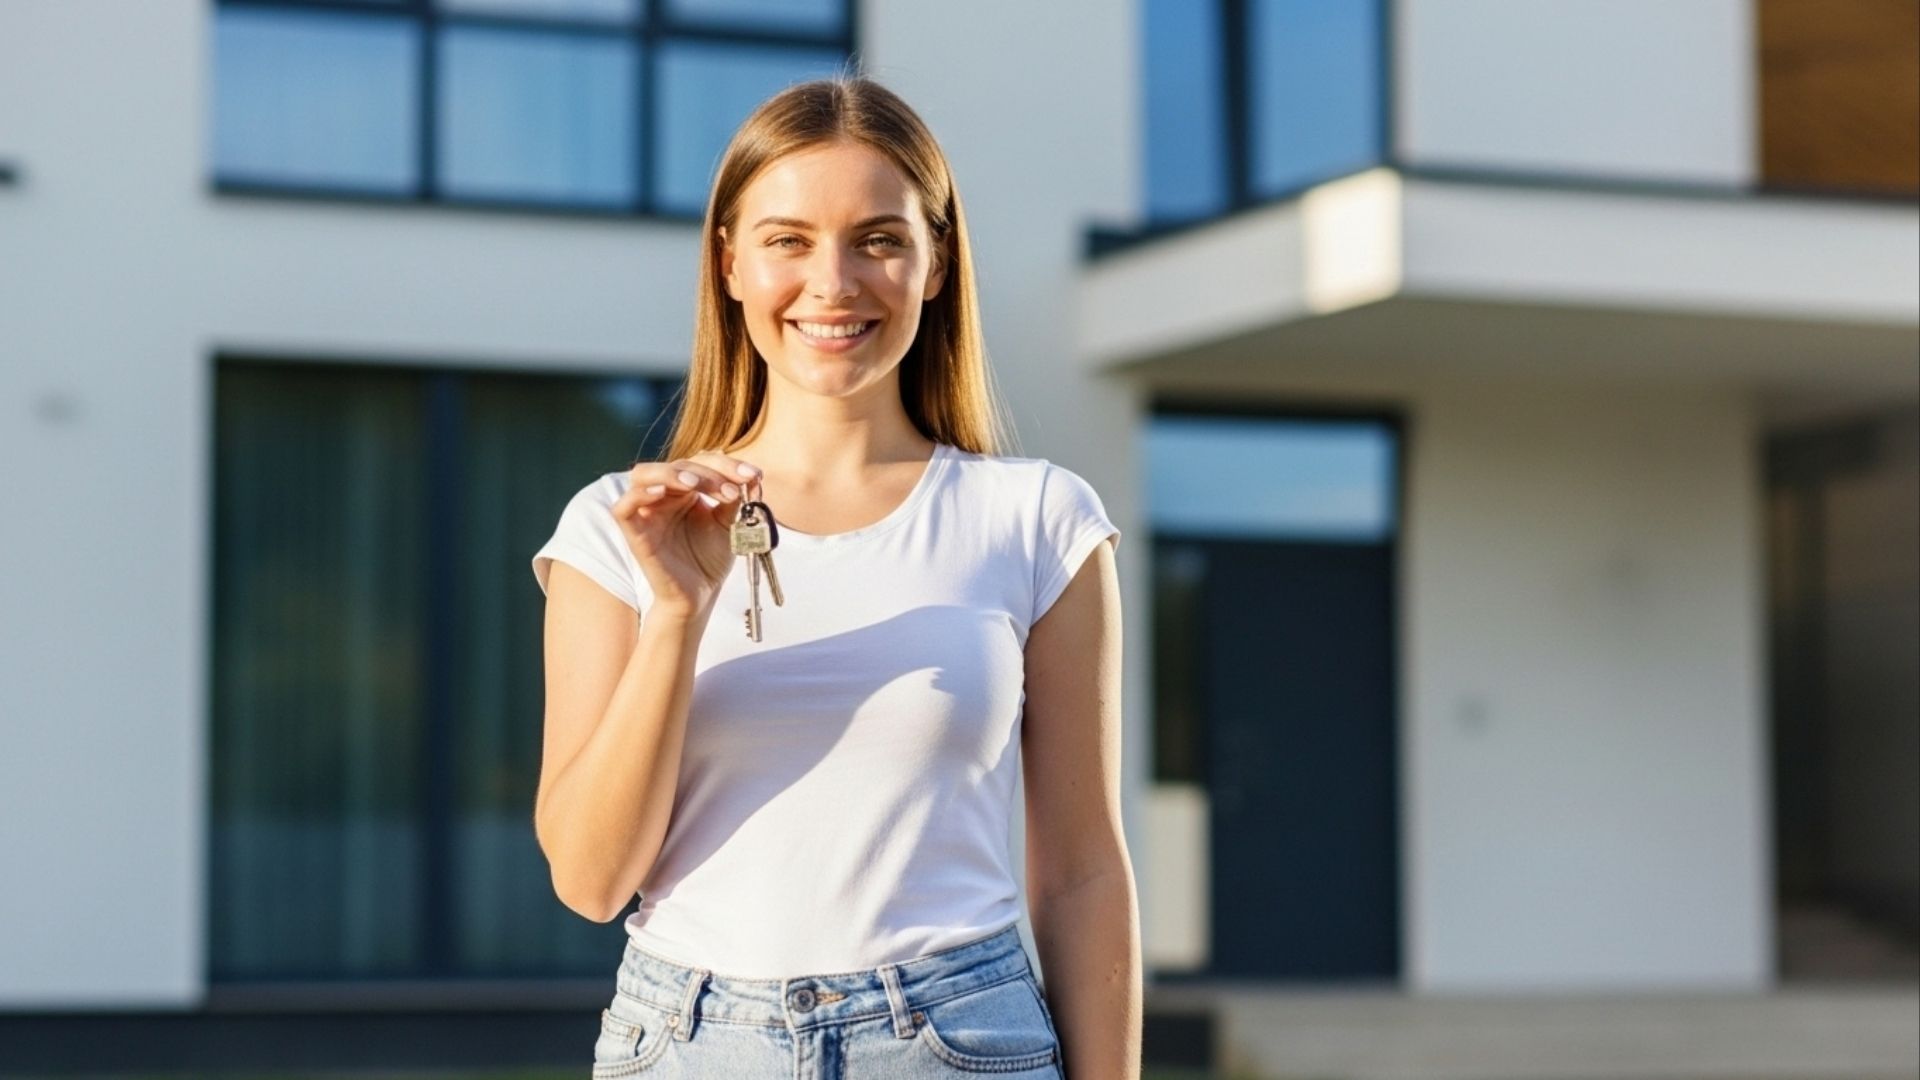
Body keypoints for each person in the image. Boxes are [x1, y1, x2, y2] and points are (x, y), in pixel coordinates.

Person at [529, 70, 1139, 1078]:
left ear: (936, 263)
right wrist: (679, 612)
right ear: (728, 262)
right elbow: (593, 882)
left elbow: (1081, 874)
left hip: (958, 1040)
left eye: (881, 239)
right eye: (788, 241)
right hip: (689, 1044)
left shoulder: (1037, 518)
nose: (834, 283)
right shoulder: (616, 528)